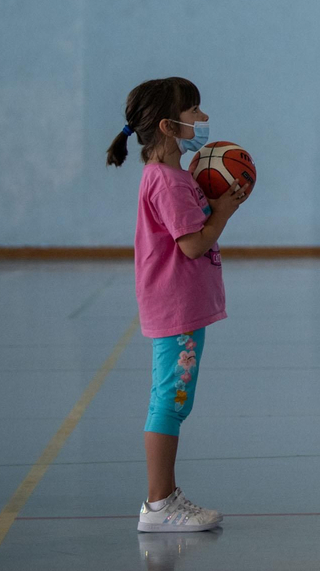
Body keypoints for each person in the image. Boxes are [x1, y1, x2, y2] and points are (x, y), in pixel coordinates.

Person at [107, 77, 250, 532]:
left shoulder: (174, 178)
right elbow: (191, 245)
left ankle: (162, 498)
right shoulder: (167, 182)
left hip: (180, 305)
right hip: (176, 308)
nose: (204, 120)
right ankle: (159, 504)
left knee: (172, 399)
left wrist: (213, 199)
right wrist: (223, 212)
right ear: (169, 127)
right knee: (170, 400)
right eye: (195, 112)